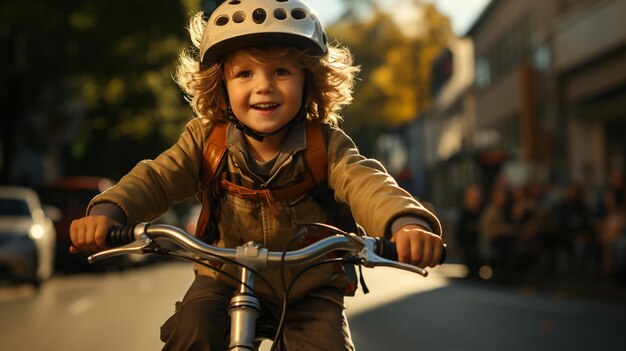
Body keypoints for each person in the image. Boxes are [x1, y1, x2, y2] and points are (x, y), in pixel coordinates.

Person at [69, 0, 444, 350]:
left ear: (308, 81)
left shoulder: (325, 145)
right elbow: (157, 177)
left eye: (281, 71)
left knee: (323, 342)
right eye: (244, 73)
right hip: (223, 277)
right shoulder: (205, 141)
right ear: (221, 85)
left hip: (308, 288)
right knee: (192, 329)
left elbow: (368, 184)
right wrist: (109, 213)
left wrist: (405, 222)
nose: (263, 85)